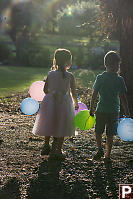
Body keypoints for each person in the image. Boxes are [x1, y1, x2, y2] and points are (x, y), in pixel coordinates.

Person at [32, 48, 79, 158]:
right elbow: (73, 92)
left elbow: (45, 90)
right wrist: (76, 104)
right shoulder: (70, 76)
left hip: (50, 101)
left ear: (55, 61)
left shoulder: (51, 74)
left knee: (49, 121)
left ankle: (46, 144)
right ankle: (58, 150)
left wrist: (53, 93)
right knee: (62, 124)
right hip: (64, 103)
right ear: (68, 61)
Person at [90, 51, 130, 163]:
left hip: (102, 110)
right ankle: (107, 155)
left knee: (99, 131)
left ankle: (100, 149)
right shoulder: (119, 79)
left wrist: (91, 107)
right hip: (113, 111)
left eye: (117, 65)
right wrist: (127, 110)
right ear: (109, 65)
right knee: (110, 134)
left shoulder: (101, 78)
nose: (116, 67)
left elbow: (94, 94)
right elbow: (123, 98)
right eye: (115, 65)